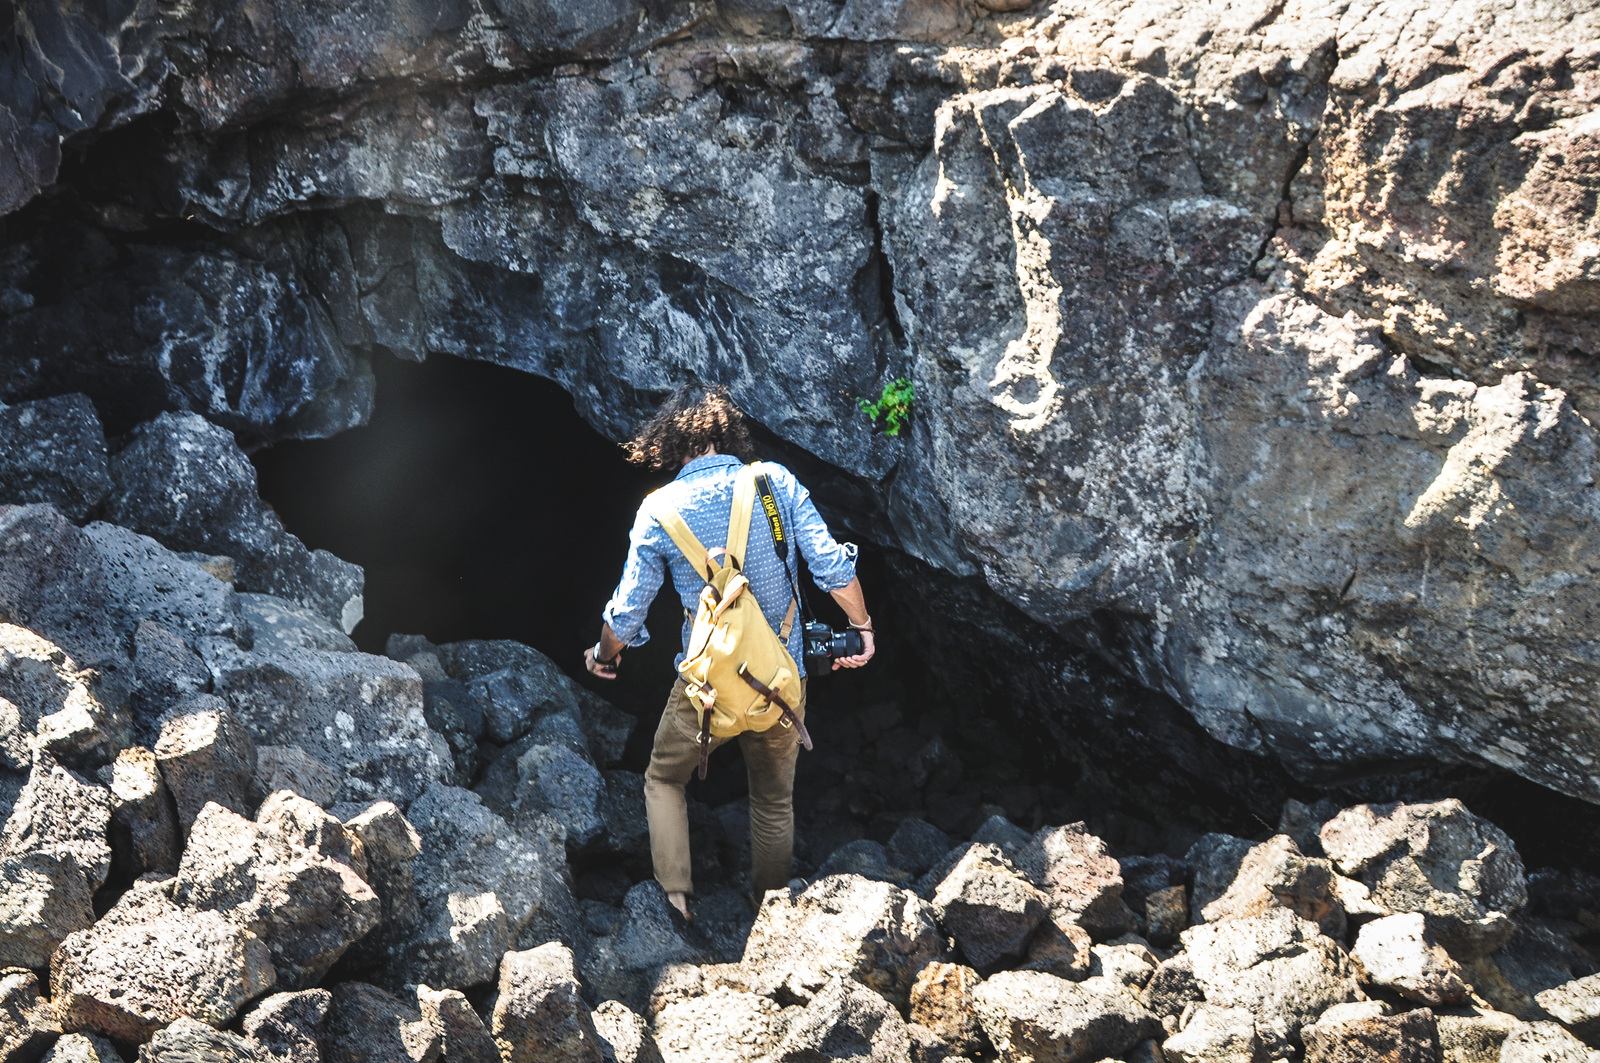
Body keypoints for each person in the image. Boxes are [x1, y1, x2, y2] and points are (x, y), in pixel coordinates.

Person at [585, 385, 875, 920]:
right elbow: (833, 567)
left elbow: (628, 612)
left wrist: (605, 654)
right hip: (781, 682)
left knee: (663, 778)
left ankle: (676, 903)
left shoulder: (658, 511)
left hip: (706, 691)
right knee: (772, 800)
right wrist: (862, 626)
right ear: (726, 434)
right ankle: (771, 914)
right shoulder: (774, 483)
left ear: (672, 443)